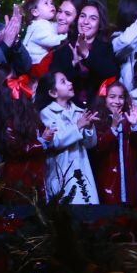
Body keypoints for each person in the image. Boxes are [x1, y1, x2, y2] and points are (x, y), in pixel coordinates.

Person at [40, 70, 98, 204]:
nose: (70, 83)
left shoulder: (79, 112)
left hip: (82, 169)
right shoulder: (46, 113)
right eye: (63, 81)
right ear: (53, 93)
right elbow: (54, 141)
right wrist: (77, 126)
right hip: (61, 170)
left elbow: (90, 144)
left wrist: (89, 127)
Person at [91, 80, 137, 205]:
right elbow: (98, 148)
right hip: (106, 181)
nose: (117, 101)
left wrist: (134, 125)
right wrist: (113, 127)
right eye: (112, 97)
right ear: (104, 99)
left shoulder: (130, 118)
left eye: (121, 97)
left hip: (129, 180)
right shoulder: (98, 120)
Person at [53, 0, 119, 92]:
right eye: (82, 16)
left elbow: (112, 74)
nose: (86, 22)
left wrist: (87, 54)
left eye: (93, 18)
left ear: (100, 24)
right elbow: (53, 83)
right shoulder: (64, 47)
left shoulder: (106, 47)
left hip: (96, 105)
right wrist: (74, 63)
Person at [21, 0, 63, 69]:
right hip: (35, 65)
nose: (51, 6)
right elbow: (50, 41)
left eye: (51, 3)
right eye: (46, 3)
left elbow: (56, 27)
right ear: (35, 12)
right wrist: (66, 37)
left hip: (41, 63)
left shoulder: (45, 23)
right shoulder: (37, 26)